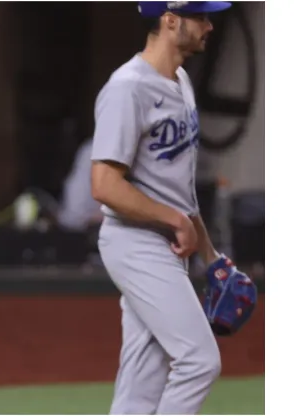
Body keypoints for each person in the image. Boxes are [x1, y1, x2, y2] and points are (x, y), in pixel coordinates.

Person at [90, 2, 243, 414]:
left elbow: (180, 192)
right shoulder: (128, 87)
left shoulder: (180, 82)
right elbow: (103, 184)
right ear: (170, 20)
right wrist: (173, 220)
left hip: (166, 247)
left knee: (144, 376)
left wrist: (212, 257)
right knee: (199, 361)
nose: (210, 25)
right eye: (201, 17)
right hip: (135, 241)